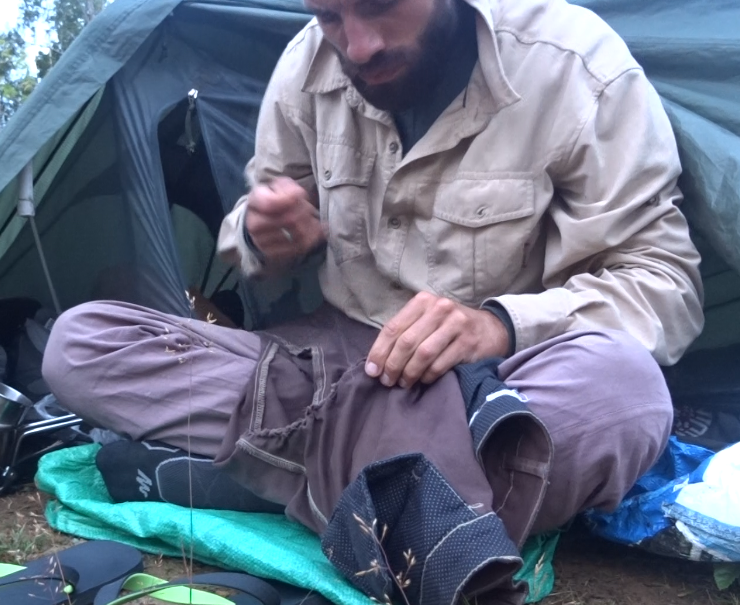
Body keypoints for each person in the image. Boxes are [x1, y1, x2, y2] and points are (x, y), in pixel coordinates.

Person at [43, 0, 702, 554]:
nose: (357, 47)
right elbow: (257, 243)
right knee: (81, 343)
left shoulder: (576, 65)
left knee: (627, 395)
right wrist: (265, 236)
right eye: (330, 15)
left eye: (381, 4)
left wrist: (497, 325)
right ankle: (413, 512)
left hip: (485, 391)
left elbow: (662, 286)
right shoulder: (307, 65)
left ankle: (261, 482)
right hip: (323, 375)